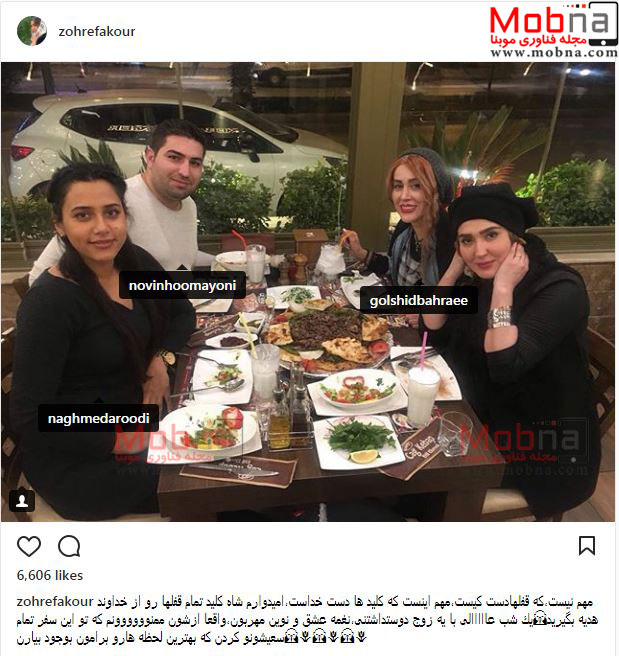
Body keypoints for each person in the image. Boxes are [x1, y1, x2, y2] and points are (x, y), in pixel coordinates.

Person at [11, 163, 196, 520]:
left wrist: (160, 358)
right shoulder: (51, 303)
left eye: (111, 212)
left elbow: (181, 312)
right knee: (217, 472)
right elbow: (29, 418)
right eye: (83, 215)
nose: (101, 227)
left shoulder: (134, 264)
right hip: (85, 465)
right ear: (59, 225)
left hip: (143, 420)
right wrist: (128, 439)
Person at [421, 183, 601, 517]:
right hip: (482, 418)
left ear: (516, 238)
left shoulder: (561, 287)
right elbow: (431, 324)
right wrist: (455, 268)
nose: (480, 250)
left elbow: (504, 366)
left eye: (491, 235)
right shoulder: (480, 279)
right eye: (467, 240)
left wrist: (503, 288)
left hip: (544, 452)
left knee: (416, 488)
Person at [29, 119, 214, 285]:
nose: (185, 171)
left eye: (195, 163)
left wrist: (224, 264)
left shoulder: (188, 204)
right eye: (174, 157)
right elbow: (38, 276)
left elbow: (176, 261)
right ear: (150, 157)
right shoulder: (115, 203)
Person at [340, 147, 454, 286]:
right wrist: (360, 252)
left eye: (416, 185)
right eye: (398, 186)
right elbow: (392, 267)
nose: (404, 196)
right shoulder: (404, 229)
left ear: (437, 192)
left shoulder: (450, 242)